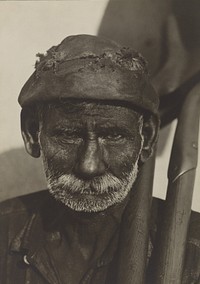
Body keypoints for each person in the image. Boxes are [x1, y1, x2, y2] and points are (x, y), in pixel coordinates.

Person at [0, 34, 199, 284]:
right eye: (69, 135)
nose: (89, 165)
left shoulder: (194, 254)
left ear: (146, 138)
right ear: (32, 134)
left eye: (113, 135)